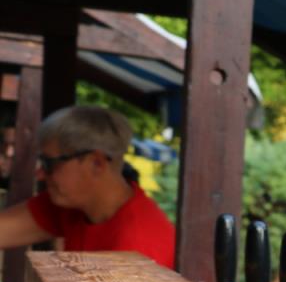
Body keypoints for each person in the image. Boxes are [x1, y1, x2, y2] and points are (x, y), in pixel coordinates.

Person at [0, 106, 175, 270]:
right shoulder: (76, 204)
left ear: (96, 163)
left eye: (49, 163)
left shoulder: (137, 247)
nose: (40, 174)